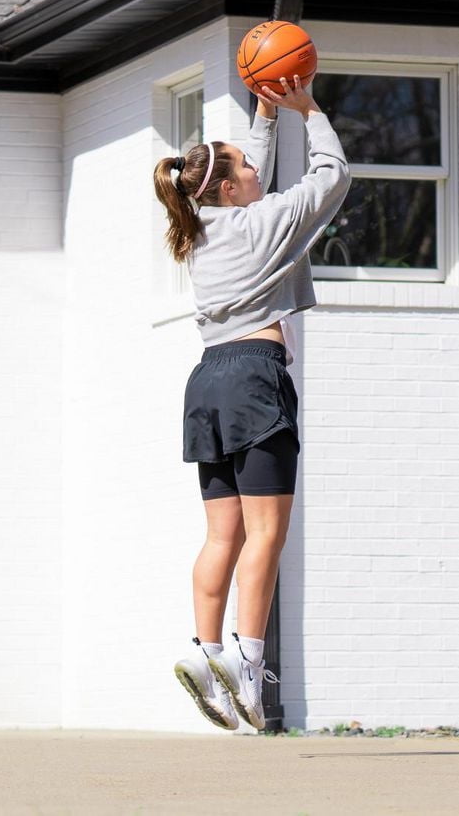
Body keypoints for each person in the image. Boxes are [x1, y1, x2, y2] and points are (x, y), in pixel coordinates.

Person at [153, 73, 349, 730]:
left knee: (222, 534)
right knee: (268, 534)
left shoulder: (200, 224)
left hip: (207, 380)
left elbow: (244, 167)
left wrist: (264, 115)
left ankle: (207, 653)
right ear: (231, 190)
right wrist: (308, 108)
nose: (253, 168)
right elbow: (333, 176)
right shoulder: (264, 222)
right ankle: (247, 660)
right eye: (242, 166)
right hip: (255, 377)